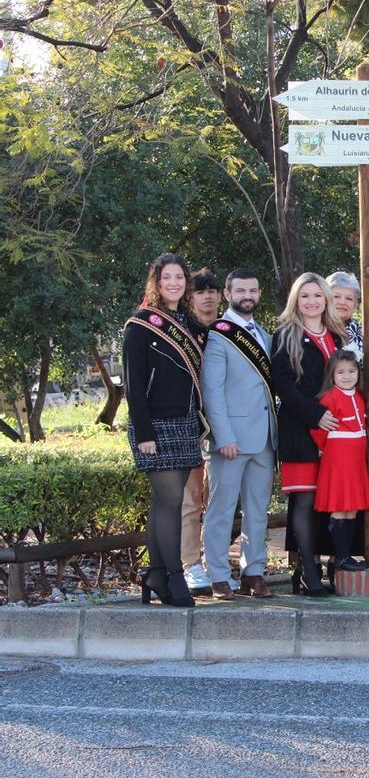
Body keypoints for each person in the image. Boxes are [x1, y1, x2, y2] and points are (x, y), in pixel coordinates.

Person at [123, 253, 208, 608]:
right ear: (155, 283)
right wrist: (144, 432)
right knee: (170, 502)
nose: (174, 283)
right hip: (155, 426)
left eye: (179, 278)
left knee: (166, 503)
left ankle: (156, 574)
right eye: (167, 278)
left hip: (186, 423)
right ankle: (173, 576)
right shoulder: (139, 325)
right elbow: (133, 383)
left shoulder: (188, 323)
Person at [199, 267, 275, 601]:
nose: (248, 296)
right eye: (241, 291)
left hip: (264, 439)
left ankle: (253, 572)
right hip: (231, 440)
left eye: (253, 290)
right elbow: (211, 390)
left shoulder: (264, 335)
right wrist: (223, 435)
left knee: (258, 510)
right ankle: (217, 574)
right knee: (222, 509)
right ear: (228, 294)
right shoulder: (218, 333)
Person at [272, 273, 347, 597]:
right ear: (295, 301)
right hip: (299, 429)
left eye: (318, 295)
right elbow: (284, 386)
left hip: (333, 432)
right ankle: (308, 572)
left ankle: (309, 570)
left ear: (326, 299)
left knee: (324, 502)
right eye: (305, 296)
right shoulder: (286, 334)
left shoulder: (336, 335)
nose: (312, 301)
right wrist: (316, 416)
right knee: (304, 501)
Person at [310, 350, 369, 574]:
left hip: (356, 460)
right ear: (332, 375)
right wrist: (327, 450)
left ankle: (343, 556)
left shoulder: (359, 395)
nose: (347, 376)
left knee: (352, 508)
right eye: (341, 372)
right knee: (340, 507)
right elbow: (318, 431)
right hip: (338, 459)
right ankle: (341, 556)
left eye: (352, 371)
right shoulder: (329, 397)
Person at [180, 268, 222, 595]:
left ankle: (217, 563)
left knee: (220, 500)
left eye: (213, 290)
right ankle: (190, 564)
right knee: (191, 500)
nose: (207, 296)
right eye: (200, 291)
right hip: (191, 426)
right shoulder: (182, 331)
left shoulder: (228, 330)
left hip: (226, 428)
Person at [326, 271, 363, 361]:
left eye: (349, 298)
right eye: (336, 296)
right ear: (326, 299)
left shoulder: (363, 333)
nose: (342, 302)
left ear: (355, 305)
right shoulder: (316, 330)